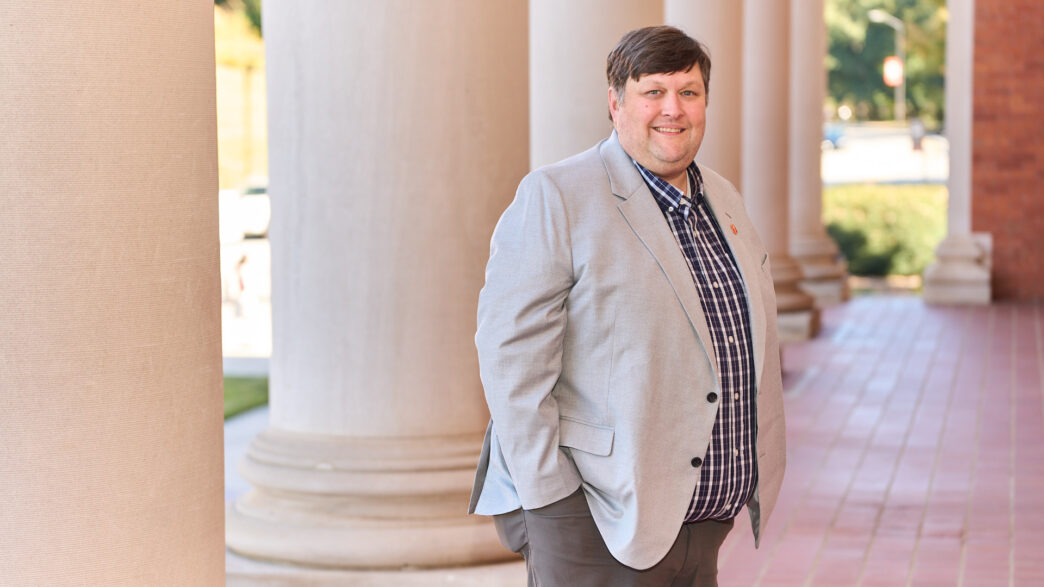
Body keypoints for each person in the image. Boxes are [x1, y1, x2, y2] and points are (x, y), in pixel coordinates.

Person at [468, 25, 786, 586]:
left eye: (689, 92)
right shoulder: (557, 197)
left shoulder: (723, 197)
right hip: (596, 521)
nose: (674, 109)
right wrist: (553, 501)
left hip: (702, 523)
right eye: (653, 91)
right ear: (615, 103)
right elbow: (510, 360)